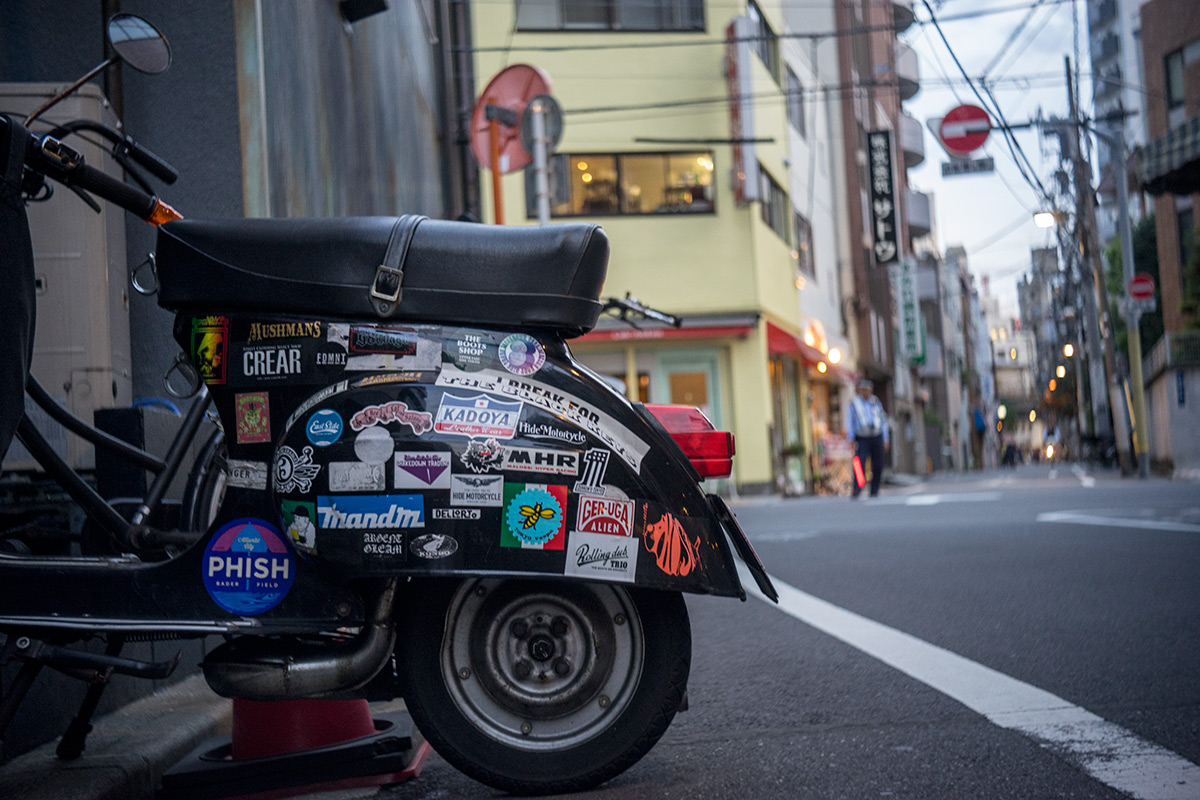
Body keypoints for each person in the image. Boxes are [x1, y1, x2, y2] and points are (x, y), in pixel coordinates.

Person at [845, 378, 890, 498]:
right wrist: (850, 438)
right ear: (860, 390)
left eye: (868, 390)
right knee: (859, 462)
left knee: (878, 463)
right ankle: (857, 487)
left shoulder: (875, 402)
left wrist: (885, 438)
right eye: (863, 390)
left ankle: (875, 488)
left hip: (876, 435)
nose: (866, 392)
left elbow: (883, 420)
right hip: (862, 436)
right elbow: (850, 421)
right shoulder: (854, 403)